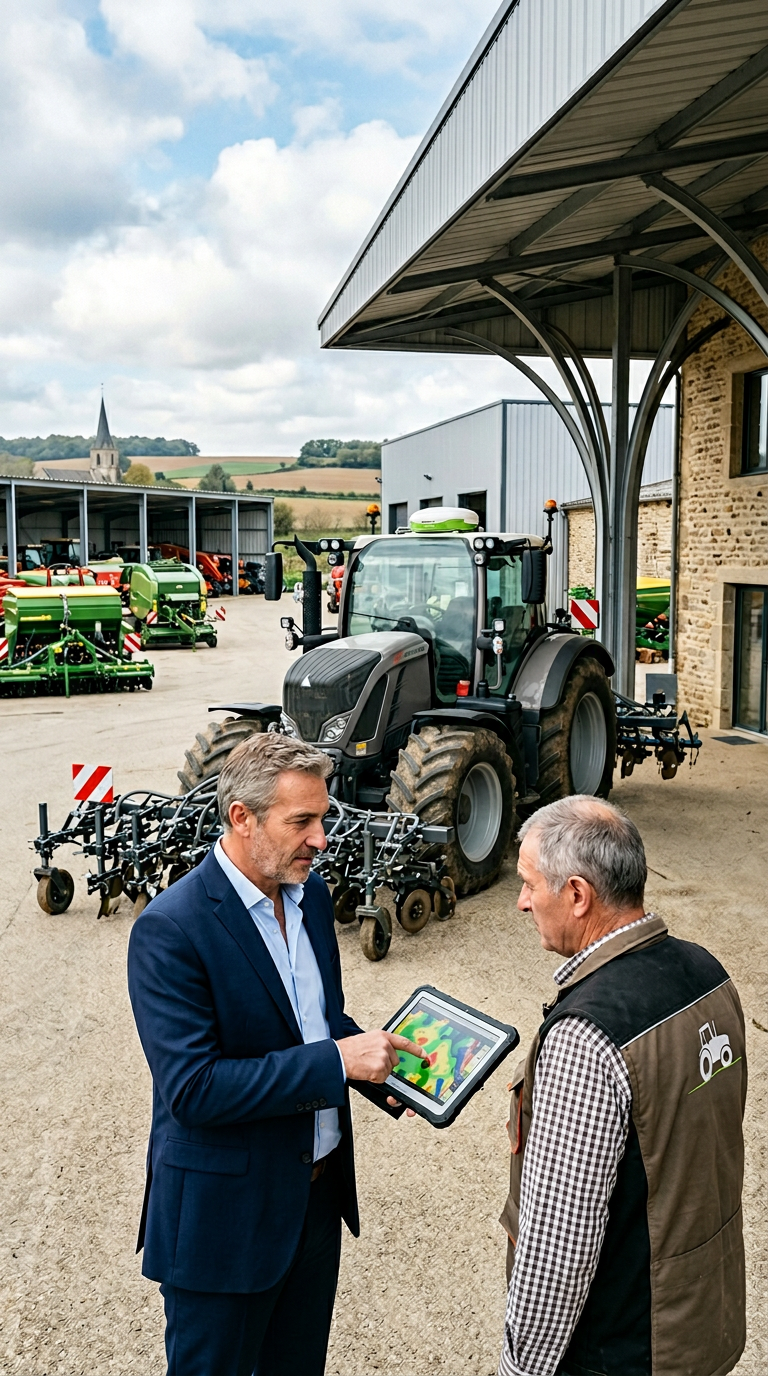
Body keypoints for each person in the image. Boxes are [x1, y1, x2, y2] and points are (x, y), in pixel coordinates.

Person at [127, 732, 423, 1376]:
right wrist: (340, 1064)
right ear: (242, 818)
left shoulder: (310, 895)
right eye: (302, 822)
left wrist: (396, 1071)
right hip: (224, 1224)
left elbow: (318, 1021)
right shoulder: (171, 930)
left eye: (323, 818)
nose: (321, 839)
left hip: (314, 1205)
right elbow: (195, 1089)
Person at [498, 795, 747, 1376]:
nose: (522, 902)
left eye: (531, 884)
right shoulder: (710, 975)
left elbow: (558, 1249)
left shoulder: (587, 1035)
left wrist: (521, 1368)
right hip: (704, 1321)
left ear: (578, 895)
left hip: (626, 1346)